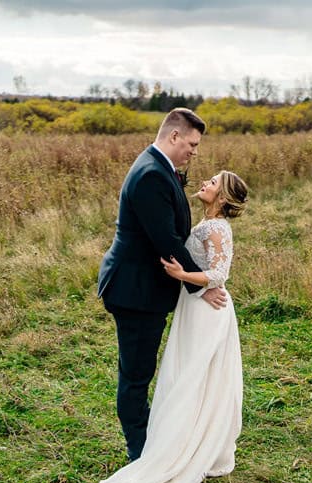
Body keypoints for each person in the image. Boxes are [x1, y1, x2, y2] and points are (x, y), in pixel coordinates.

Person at [98, 170, 249, 483]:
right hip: (194, 305)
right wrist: (195, 284)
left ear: (222, 198)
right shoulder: (206, 222)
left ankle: (190, 443)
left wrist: (186, 277)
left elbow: (220, 274)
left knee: (195, 376)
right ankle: (184, 437)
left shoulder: (218, 228)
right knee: (188, 373)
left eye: (213, 183)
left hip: (207, 311)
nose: (205, 183)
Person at [97, 108, 227, 463]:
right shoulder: (151, 174)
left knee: (139, 369)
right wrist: (203, 285)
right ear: (173, 136)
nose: (194, 152)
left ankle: (147, 444)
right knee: (136, 375)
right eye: (191, 143)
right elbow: (166, 240)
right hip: (135, 291)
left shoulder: (157, 167)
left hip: (142, 287)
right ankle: (139, 455)